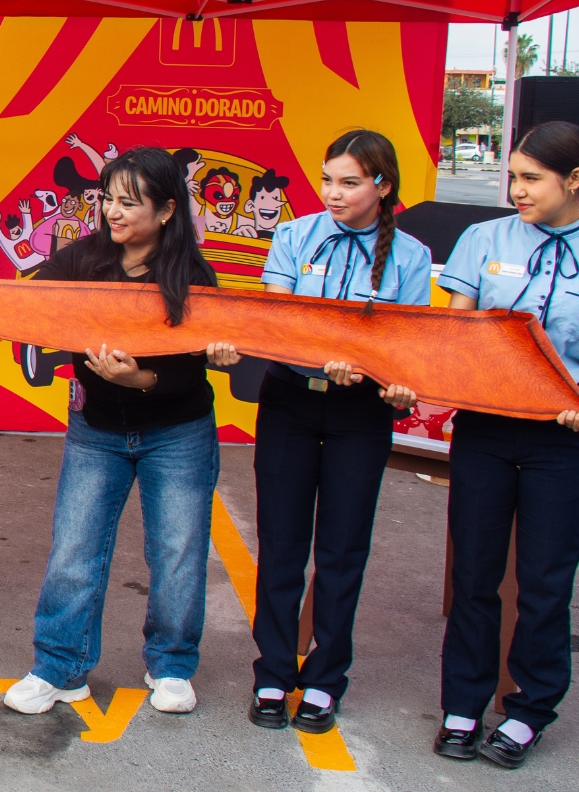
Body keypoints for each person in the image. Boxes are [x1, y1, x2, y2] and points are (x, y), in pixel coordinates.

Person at [3, 146, 239, 717]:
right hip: (96, 430)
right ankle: (60, 667)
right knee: (74, 550)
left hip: (177, 432)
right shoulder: (80, 259)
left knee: (178, 552)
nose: (113, 211)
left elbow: (189, 371)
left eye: (129, 203)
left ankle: (173, 666)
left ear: (166, 212)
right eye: (108, 199)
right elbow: (29, 307)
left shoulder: (192, 276)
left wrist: (142, 378)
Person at [431, 121, 579, 769]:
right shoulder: (482, 240)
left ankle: (529, 711)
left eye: (531, 178)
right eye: (512, 175)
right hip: (484, 428)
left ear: (574, 180)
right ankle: (462, 705)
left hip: (559, 441)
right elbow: (455, 331)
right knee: (476, 577)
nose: (516, 189)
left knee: (544, 581)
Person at [247, 131, 431, 733]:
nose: (332, 193)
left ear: (383, 186)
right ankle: (273, 674)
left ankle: (326, 681)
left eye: (349, 182)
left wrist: (391, 380)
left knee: (342, 552)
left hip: (361, 414)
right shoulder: (293, 234)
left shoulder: (410, 254)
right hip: (290, 404)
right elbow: (278, 326)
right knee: (280, 547)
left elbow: (404, 345)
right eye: (327, 179)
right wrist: (321, 352)